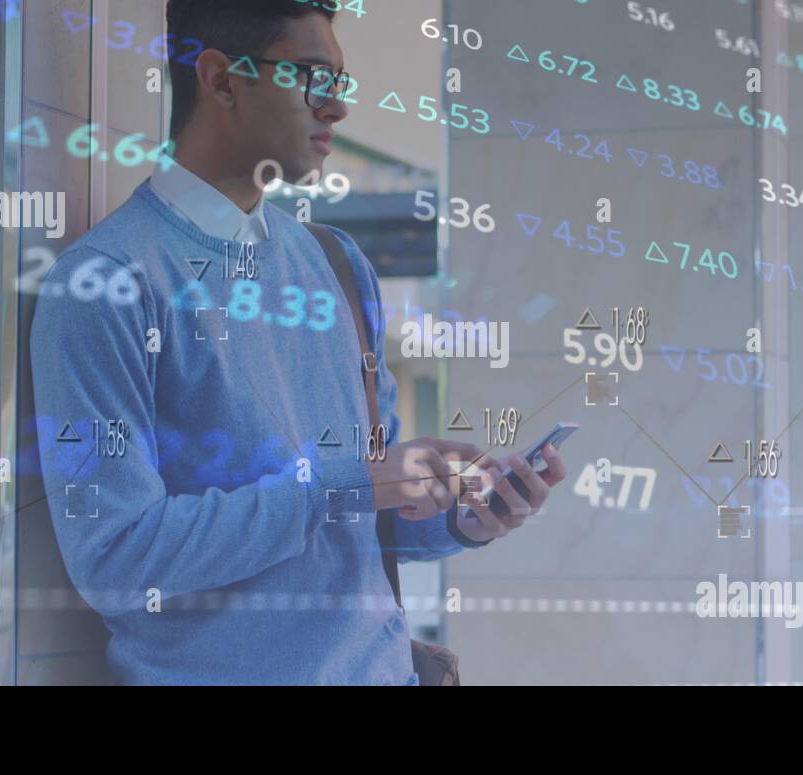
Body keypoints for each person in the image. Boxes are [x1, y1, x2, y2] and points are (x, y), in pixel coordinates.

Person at [29, 0, 567, 685]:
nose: (336, 109)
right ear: (222, 80)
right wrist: (334, 488)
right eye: (312, 77)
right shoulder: (108, 283)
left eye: (339, 84)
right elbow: (116, 557)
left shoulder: (339, 265)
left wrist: (467, 517)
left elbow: (362, 520)